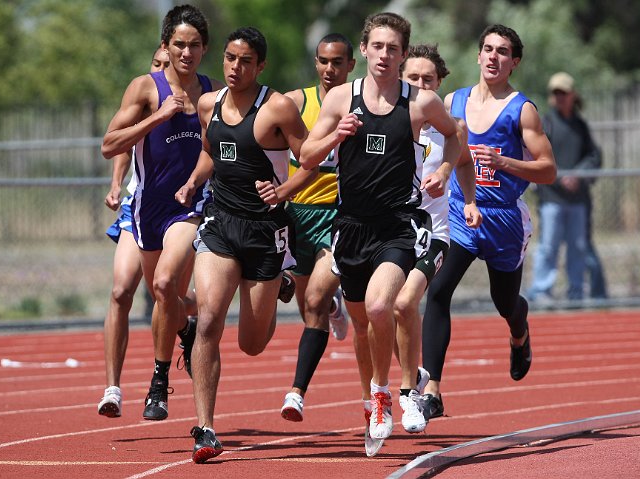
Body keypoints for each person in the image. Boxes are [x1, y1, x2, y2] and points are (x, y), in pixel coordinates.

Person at [299, 12, 468, 455]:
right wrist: (336, 134)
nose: (385, 55)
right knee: (361, 318)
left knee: (383, 305)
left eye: (394, 48)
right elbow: (307, 155)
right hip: (351, 227)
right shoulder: (340, 99)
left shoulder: (420, 103)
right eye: (378, 46)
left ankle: (397, 393)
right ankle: (380, 393)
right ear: (365, 50)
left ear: (403, 54)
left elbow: (456, 136)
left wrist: (445, 171)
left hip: (399, 223)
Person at [174, 27, 317, 464]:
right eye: (231, 59)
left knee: (251, 343)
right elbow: (211, 150)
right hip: (220, 224)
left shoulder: (278, 108)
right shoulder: (207, 104)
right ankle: (206, 429)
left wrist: (284, 190)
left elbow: (311, 161)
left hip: (264, 231)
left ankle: (279, 287)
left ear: (261, 65)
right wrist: (195, 179)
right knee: (210, 320)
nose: (236, 68)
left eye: (246, 61)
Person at [420, 24, 557, 420]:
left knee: (505, 302)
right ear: (478, 56)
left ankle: (519, 331)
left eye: (503, 51)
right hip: (462, 210)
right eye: (488, 49)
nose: (494, 56)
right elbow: (432, 141)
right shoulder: (454, 101)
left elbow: (548, 170)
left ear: (513, 62)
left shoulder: (522, 109)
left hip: (503, 219)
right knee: (439, 291)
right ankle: (433, 390)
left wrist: (505, 162)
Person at [101, 4, 224, 422]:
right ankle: (184, 330)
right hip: (148, 208)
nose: (186, 52)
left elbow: (214, 150)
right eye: (179, 45)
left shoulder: (211, 93)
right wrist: (159, 116)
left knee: (167, 281)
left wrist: (196, 182)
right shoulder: (145, 88)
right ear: (166, 46)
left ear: (204, 48)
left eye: (194, 45)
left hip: (190, 207)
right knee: (162, 293)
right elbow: (109, 144)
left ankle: (157, 381)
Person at [394, 43, 481, 431]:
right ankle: (407, 380)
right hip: (390, 232)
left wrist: (469, 200)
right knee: (382, 311)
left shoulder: (452, 128)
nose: (420, 84)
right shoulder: (388, 121)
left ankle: (408, 392)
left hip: (433, 233)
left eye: (428, 78)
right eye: (412, 77)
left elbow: (463, 163)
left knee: (406, 303)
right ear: (400, 79)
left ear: (440, 83)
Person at [279, 33, 356, 423]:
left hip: (336, 213)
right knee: (307, 301)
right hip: (296, 215)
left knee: (312, 305)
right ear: (316, 62)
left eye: (338, 62)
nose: (330, 69)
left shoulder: (360, 106)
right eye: (324, 61)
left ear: (350, 66)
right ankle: (333, 304)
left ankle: (297, 392)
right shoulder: (296, 102)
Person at [98, 47, 172, 418]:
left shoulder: (188, 101)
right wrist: (116, 184)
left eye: (166, 65)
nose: (160, 70)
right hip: (136, 206)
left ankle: (184, 325)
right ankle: (112, 388)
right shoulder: (143, 98)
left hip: (176, 209)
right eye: (156, 64)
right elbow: (121, 145)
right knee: (120, 289)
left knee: (165, 292)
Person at [526, 72, 602, 302]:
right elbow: (536, 156)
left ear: (572, 95)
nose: (559, 97)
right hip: (551, 198)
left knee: (578, 248)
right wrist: (560, 178)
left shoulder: (580, 125)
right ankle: (542, 291)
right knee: (548, 246)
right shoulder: (545, 123)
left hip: (577, 200)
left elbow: (594, 156)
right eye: (555, 93)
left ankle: (576, 292)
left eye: (563, 93)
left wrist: (578, 175)